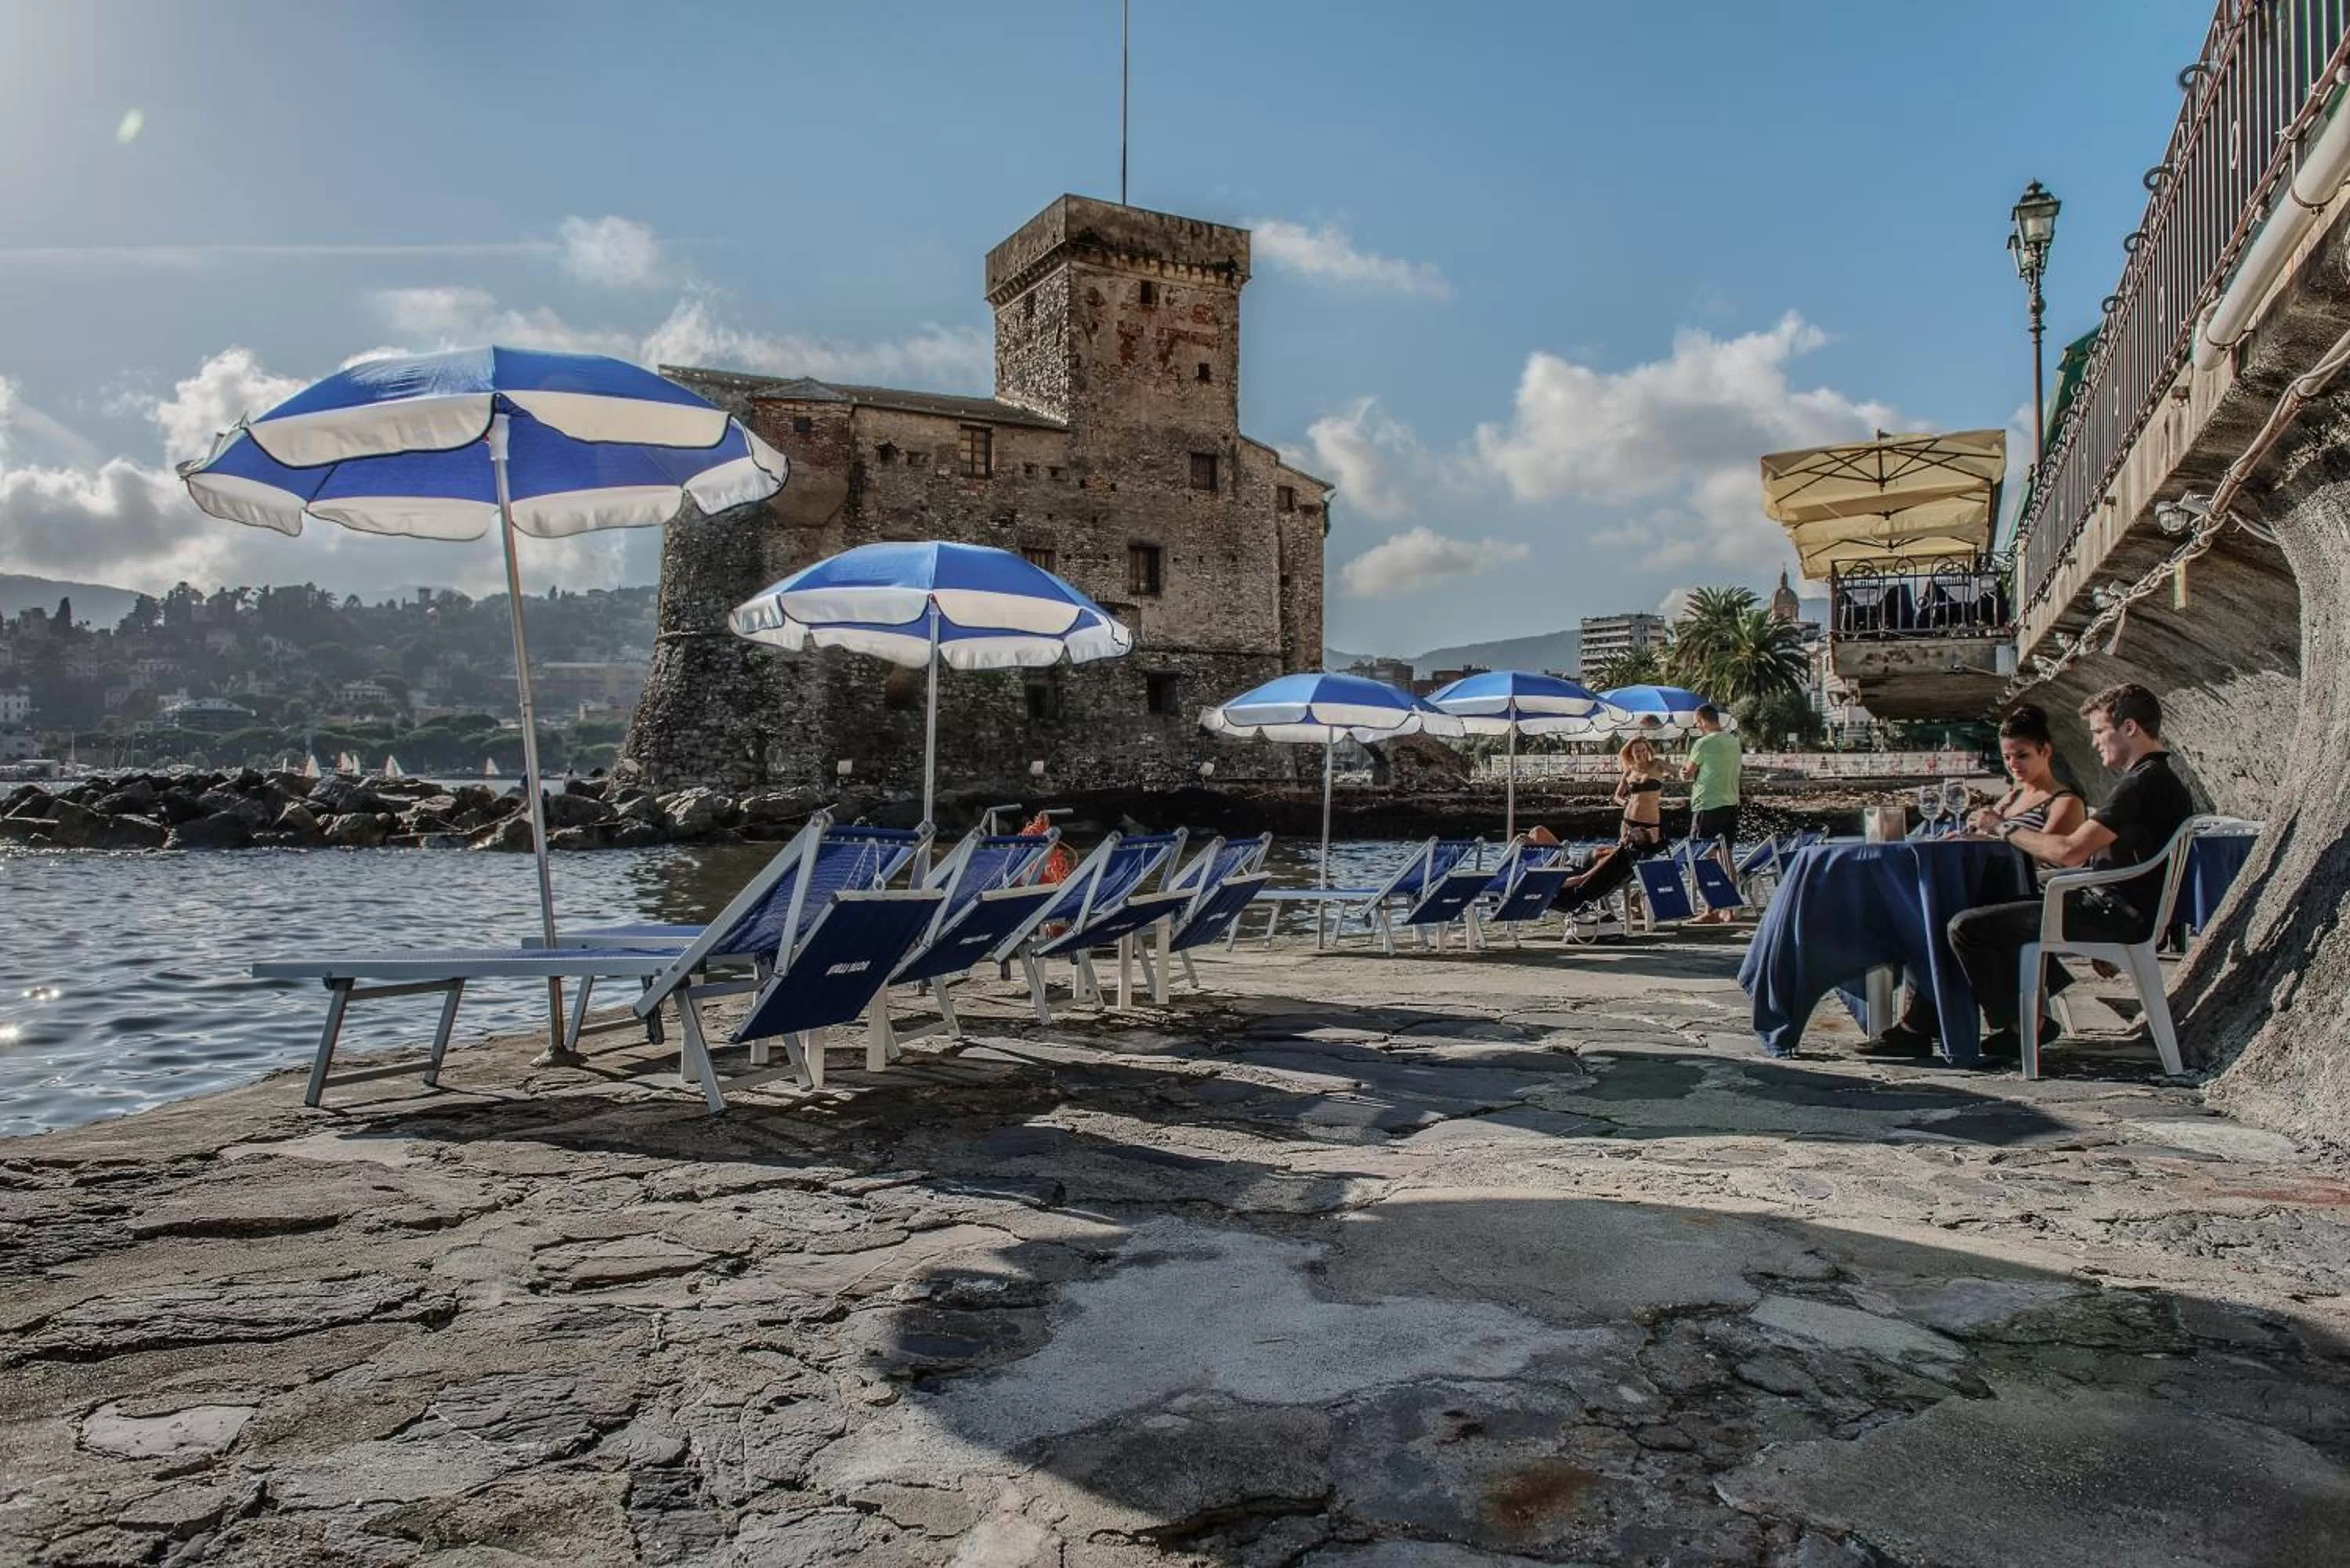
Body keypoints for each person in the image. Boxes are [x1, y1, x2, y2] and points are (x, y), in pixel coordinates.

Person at [1871, 683, 2194, 1064]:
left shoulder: (2140, 784)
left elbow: (2069, 852)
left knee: (1964, 927)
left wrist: (2001, 827)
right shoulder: (2155, 779)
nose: (2093, 742)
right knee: (1980, 908)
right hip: (2114, 907)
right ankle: (1936, 1024)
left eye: (2098, 731)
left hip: (2114, 913)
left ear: (2129, 728)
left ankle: (2024, 1025)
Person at [1877, 703, 2087, 1047]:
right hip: (1993, 893)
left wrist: (1996, 828)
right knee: (1924, 915)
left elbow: (2045, 855)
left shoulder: (2063, 801)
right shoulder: (2011, 798)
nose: (2014, 765)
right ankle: (1935, 1022)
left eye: (2022, 755)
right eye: (2007, 758)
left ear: (2045, 751)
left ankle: (1930, 1024)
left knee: (1947, 920)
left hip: (2032, 896)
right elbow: (1991, 842)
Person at [1552, 737, 1668, 912]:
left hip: (1650, 824)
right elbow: (1617, 796)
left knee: (1643, 861)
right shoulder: (1629, 772)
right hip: (1629, 822)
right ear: (1631, 754)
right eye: (1637, 751)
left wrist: (1687, 772)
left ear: (1648, 751)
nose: (1641, 754)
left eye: (1643, 750)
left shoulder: (1657, 765)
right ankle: (1611, 898)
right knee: (1621, 861)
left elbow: (1678, 771)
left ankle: (1637, 899)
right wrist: (1625, 803)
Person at [1683, 704, 1741, 924]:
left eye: (1697, 723)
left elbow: (1688, 774)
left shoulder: (1703, 743)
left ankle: (1711, 910)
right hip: (1731, 803)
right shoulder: (1733, 741)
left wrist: (1680, 772)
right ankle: (1730, 909)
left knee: (1703, 858)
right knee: (1727, 857)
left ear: (1703, 721)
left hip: (1707, 803)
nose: (1697, 727)